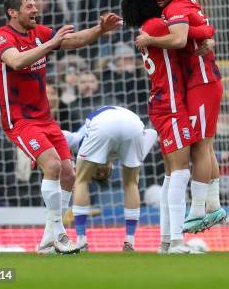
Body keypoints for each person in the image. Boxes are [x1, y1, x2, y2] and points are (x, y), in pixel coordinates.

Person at [0, 0, 122, 254]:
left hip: (45, 118)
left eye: (35, 5)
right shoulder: (3, 36)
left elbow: (73, 40)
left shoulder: (38, 32)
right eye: (29, 6)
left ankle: (47, 241)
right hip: (19, 120)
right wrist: (51, 45)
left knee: (69, 174)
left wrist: (99, 29)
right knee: (51, 165)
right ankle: (59, 234)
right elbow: (16, 61)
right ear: (13, 12)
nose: (35, 9)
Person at [135, 0, 226, 235]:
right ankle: (213, 204)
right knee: (205, 145)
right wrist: (209, 33)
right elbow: (200, 28)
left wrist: (150, 39)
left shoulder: (174, 10)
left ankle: (198, 211)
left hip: (201, 81)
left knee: (200, 147)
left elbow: (179, 39)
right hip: (203, 80)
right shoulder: (186, 1)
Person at [122, 0, 203, 254]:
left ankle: (167, 241)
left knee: (172, 174)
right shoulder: (156, 27)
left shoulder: (149, 29)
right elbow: (184, 37)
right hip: (169, 105)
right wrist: (210, 32)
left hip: (162, 103)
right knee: (180, 172)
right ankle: (176, 240)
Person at [63, 105, 158, 251]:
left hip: (105, 124)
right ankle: (130, 241)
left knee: (81, 180)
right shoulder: (120, 152)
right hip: (134, 124)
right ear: (111, 167)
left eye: (97, 173)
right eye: (104, 174)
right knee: (132, 183)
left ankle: (81, 240)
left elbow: (60, 135)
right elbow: (151, 134)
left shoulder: (78, 141)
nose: (100, 171)